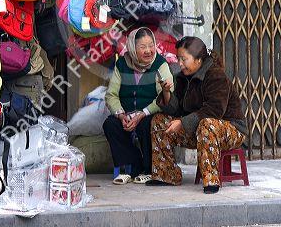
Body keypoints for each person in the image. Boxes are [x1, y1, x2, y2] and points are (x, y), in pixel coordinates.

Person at [146, 36, 248, 194]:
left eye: (184, 59)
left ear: (199, 59)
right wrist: (166, 93)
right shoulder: (182, 78)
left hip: (230, 129)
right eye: (178, 58)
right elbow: (176, 110)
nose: (179, 63)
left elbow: (214, 111)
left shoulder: (216, 76)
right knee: (159, 121)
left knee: (207, 123)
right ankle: (166, 175)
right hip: (197, 129)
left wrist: (182, 123)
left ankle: (211, 180)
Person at [103, 27, 173, 185]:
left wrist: (142, 113)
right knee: (110, 124)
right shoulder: (122, 64)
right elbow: (111, 94)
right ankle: (133, 166)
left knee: (147, 124)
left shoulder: (160, 64)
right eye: (142, 47)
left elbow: (165, 96)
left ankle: (148, 169)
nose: (148, 51)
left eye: (151, 45)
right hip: (127, 114)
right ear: (133, 48)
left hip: (149, 113)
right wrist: (121, 115)